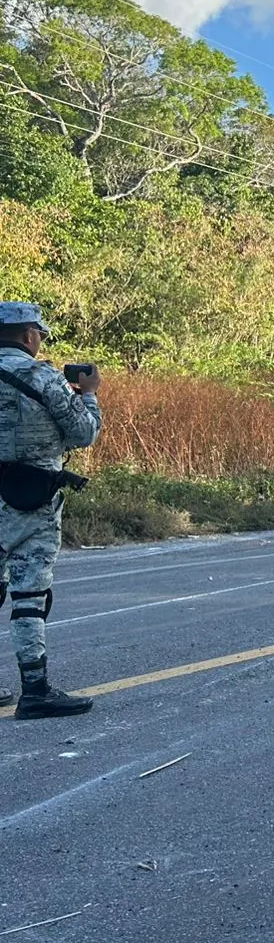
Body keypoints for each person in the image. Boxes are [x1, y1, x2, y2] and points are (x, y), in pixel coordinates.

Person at [0, 303, 100, 718]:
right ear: (28, 336)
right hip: (31, 499)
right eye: (38, 333)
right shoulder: (43, 378)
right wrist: (89, 395)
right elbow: (83, 433)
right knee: (29, 593)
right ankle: (36, 689)